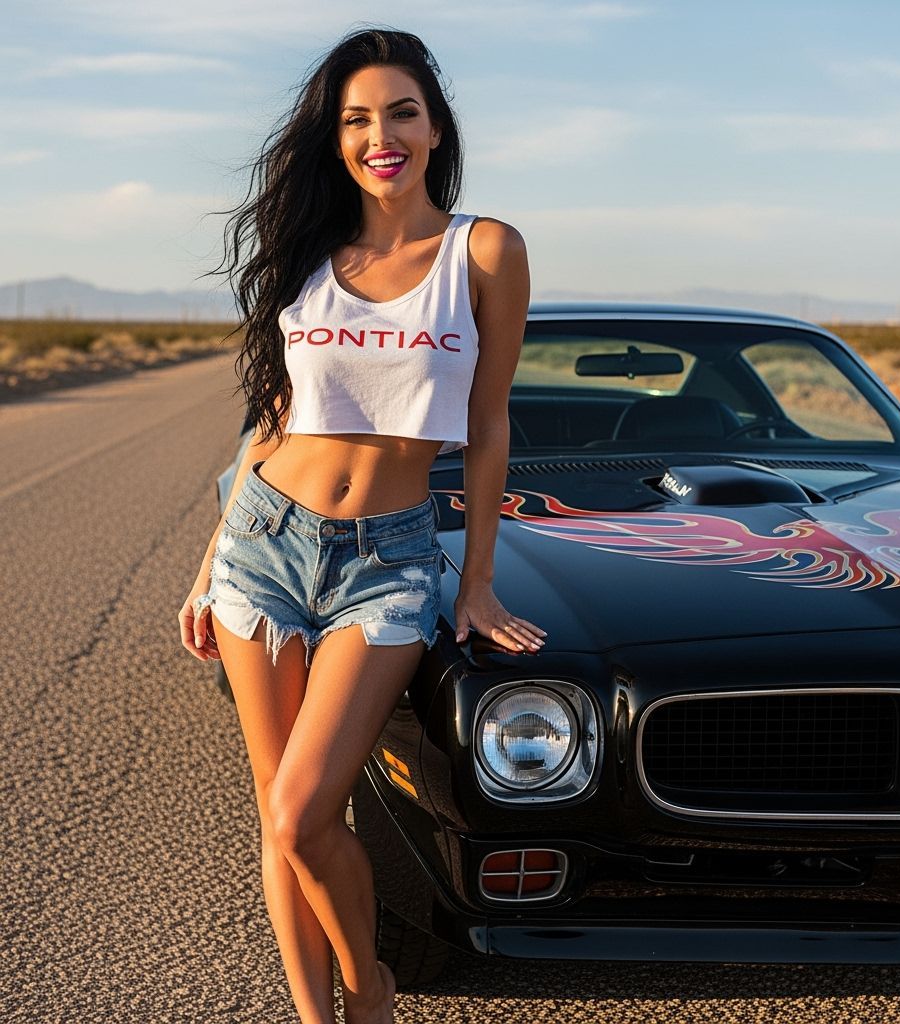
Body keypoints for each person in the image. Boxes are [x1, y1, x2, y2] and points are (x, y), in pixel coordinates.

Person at [177, 26, 545, 1024]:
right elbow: (271, 420)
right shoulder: (309, 254)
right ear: (333, 137)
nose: (377, 134)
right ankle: (314, 1015)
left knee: (304, 812)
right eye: (354, 118)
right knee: (280, 816)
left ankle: (368, 988)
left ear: (433, 127)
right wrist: (210, 561)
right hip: (264, 543)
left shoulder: (482, 250)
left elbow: (487, 421)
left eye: (399, 112)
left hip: (387, 561)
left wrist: (475, 580)